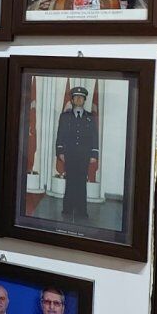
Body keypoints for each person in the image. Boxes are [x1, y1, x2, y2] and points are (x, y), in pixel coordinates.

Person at [55, 86, 98, 219]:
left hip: (84, 155)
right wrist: (60, 151)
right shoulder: (65, 117)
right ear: (72, 100)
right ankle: (67, 209)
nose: (79, 99)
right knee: (70, 181)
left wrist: (94, 154)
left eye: (81, 97)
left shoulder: (90, 117)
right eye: (76, 97)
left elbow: (94, 136)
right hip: (70, 154)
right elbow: (60, 134)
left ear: (84, 100)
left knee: (81, 182)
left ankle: (81, 210)